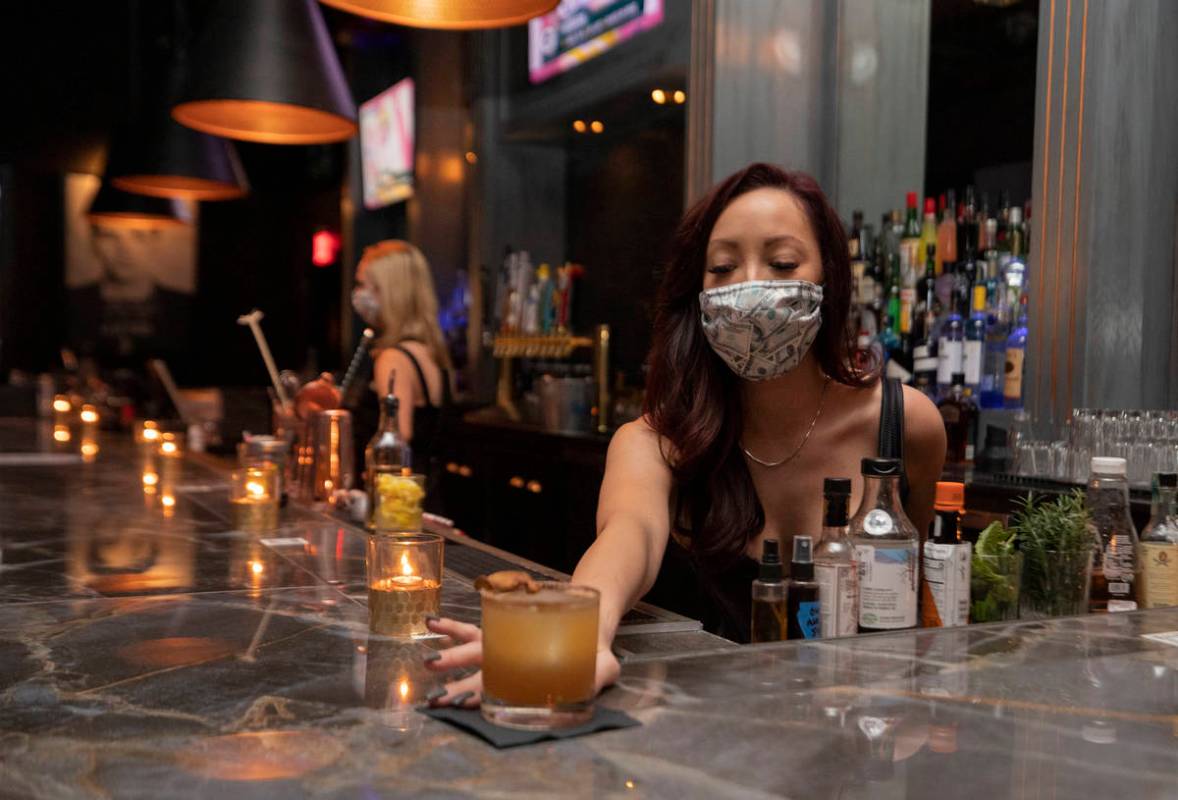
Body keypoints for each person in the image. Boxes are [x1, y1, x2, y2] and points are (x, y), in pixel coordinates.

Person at [424, 164, 946, 706]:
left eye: (782, 263)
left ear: (829, 279)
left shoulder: (907, 425)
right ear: (697, 292)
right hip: (712, 735)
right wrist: (573, 634)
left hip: (864, 733)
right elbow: (628, 536)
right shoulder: (655, 442)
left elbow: (919, 607)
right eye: (722, 267)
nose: (748, 284)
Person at [350, 240, 453, 476]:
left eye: (363, 285)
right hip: (425, 488)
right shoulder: (429, 350)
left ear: (389, 292)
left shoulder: (393, 359)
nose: (357, 294)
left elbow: (395, 442)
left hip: (395, 494)